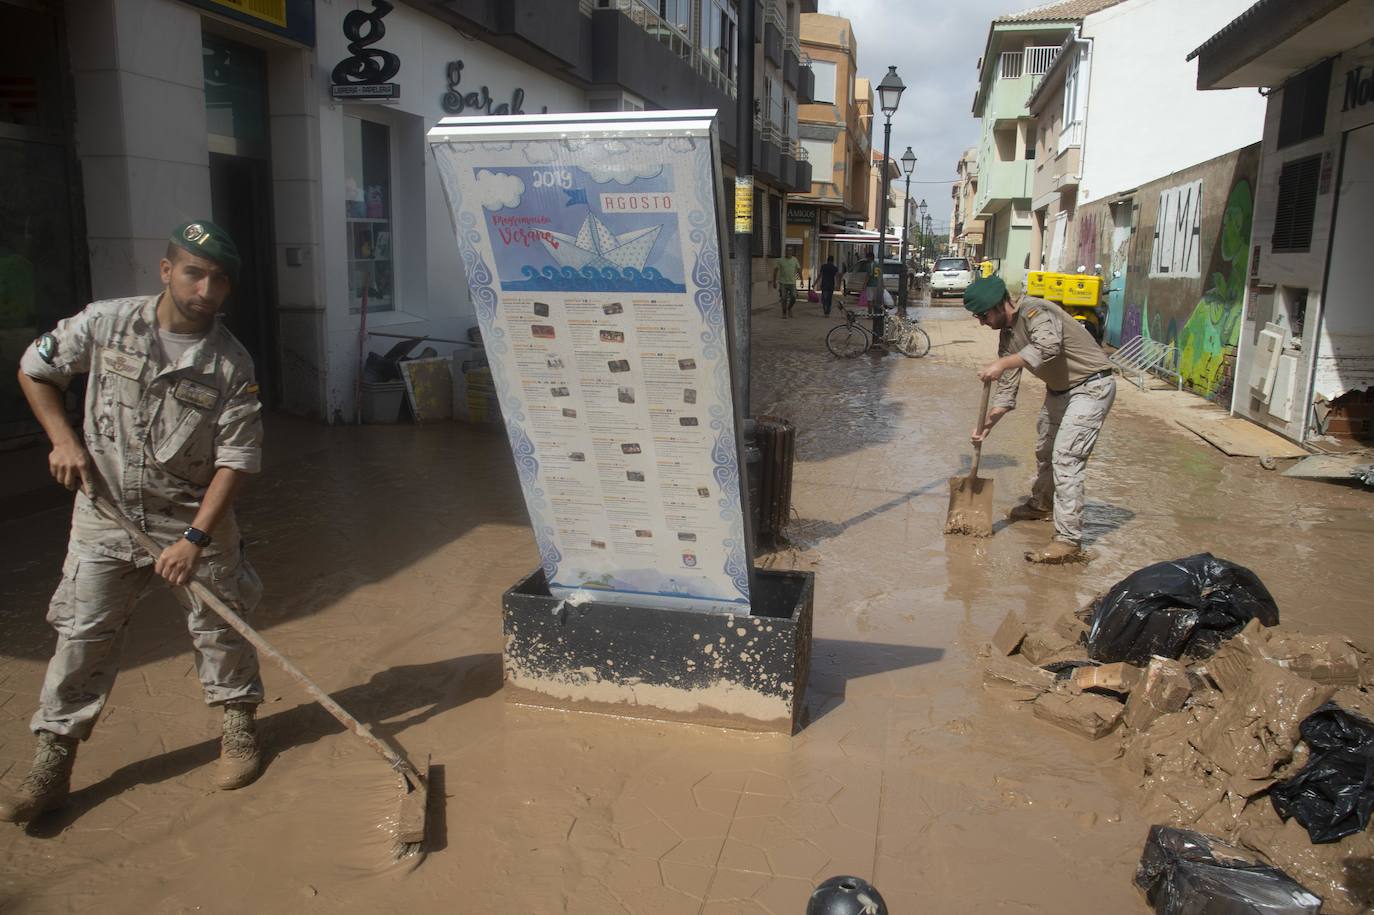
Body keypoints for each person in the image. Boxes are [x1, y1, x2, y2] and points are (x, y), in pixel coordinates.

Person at [1, 221, 266, 824]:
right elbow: (33, 369)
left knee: (221, 630)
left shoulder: (230, 365)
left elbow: (237, 460)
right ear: (166, 270)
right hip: (104, 515)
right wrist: (62, 440)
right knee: (82, 635)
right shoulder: (104, 323)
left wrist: (194, 540)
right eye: (194, 272)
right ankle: (53, 760)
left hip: (194, 521)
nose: (206, 288)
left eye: (219, 279)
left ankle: (239, 727)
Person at [963, 274, 1116, 564]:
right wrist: (986, 426)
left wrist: (1003, 363)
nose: (981, 322)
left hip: (1092, 386)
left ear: (999, 306)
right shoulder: (1007, 337)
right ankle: (1042, 505)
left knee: (1066, 458)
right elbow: (1007, 391)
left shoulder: (1036, 311)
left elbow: (1048, 347)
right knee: (1045, 452)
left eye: (982, 315)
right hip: (1059, 392)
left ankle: (1068, 541)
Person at [771, 249, 802, 318]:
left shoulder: (795, 260)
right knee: (784, 298)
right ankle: (784, 313)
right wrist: (774, 281)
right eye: (787, 251)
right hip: (783, 283)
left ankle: (789, 308)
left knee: (794, 297)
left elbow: (799, 270)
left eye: (790, 251)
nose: (789, 252)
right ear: (785, 252)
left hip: (792, 283)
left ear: (792, 252)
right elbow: (775, 271)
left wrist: (801, 280)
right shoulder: (780, 260)